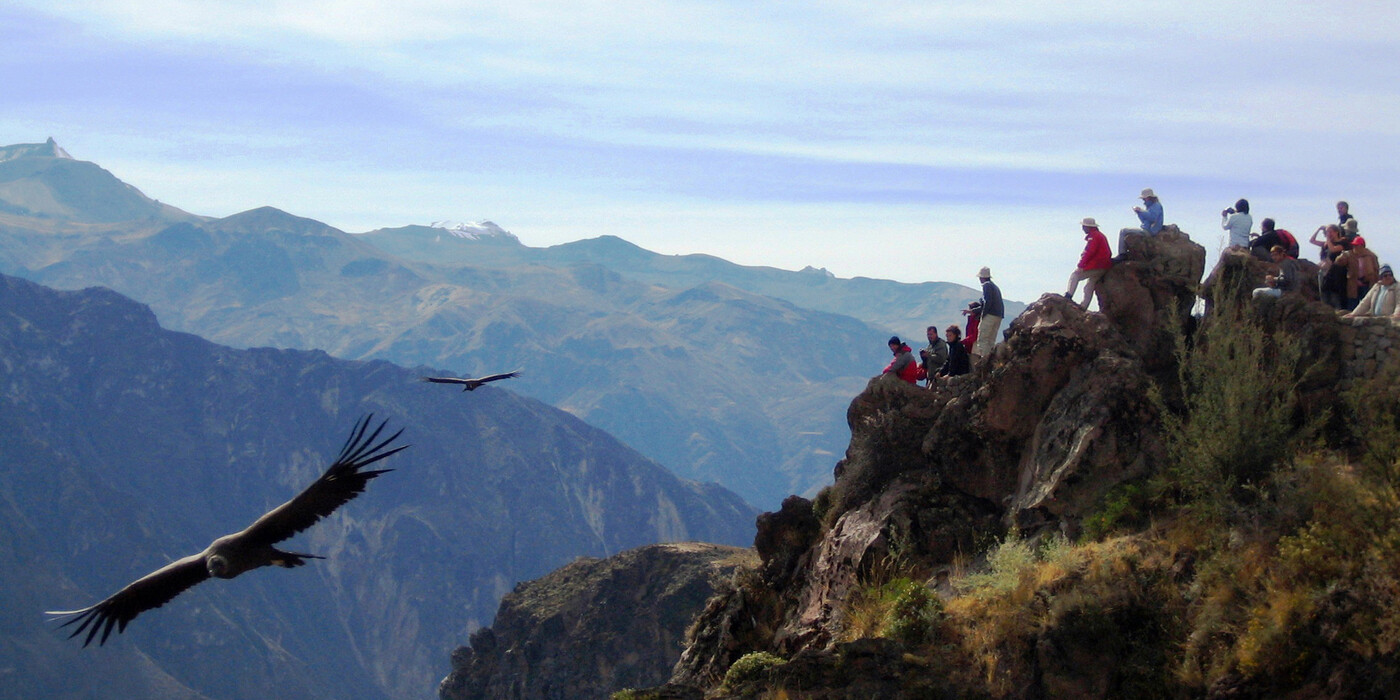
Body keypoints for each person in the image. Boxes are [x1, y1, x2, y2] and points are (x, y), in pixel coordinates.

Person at [1065, 217, 1111, 309]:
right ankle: (1083, 307)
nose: (1082, 228)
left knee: (1075, 275)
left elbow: (1089, 251)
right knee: (1089, 286)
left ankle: (1068, 296)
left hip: (1096, 266)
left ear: (1087, 227)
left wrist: (1080, 266)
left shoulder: (1094, 236)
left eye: (1083, 226)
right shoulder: (1099, 235)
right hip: (1104, 266)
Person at [1335, 235, 1380, 310]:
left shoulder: (1371, 256)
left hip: (1367, 284)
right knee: (1352, 304)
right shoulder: (1349, 255)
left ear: (1362, 246)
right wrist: (1342, 256)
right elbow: (1339, 262)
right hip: (1353, 283)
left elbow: (1376, 270)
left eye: (1356, 245)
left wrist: (1373, 279)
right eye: (1354, 245)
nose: (1355, 247)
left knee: (1367, 304)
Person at [972, 267, 1003, 360]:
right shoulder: (995, 287)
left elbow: (987, 302)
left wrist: (982, 315)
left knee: (983, 339)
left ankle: (985, 360)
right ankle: (991, 360)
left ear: (981, 277)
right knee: (991, 340)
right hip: (998, 315)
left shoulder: (986, 285)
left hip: (990, 315)